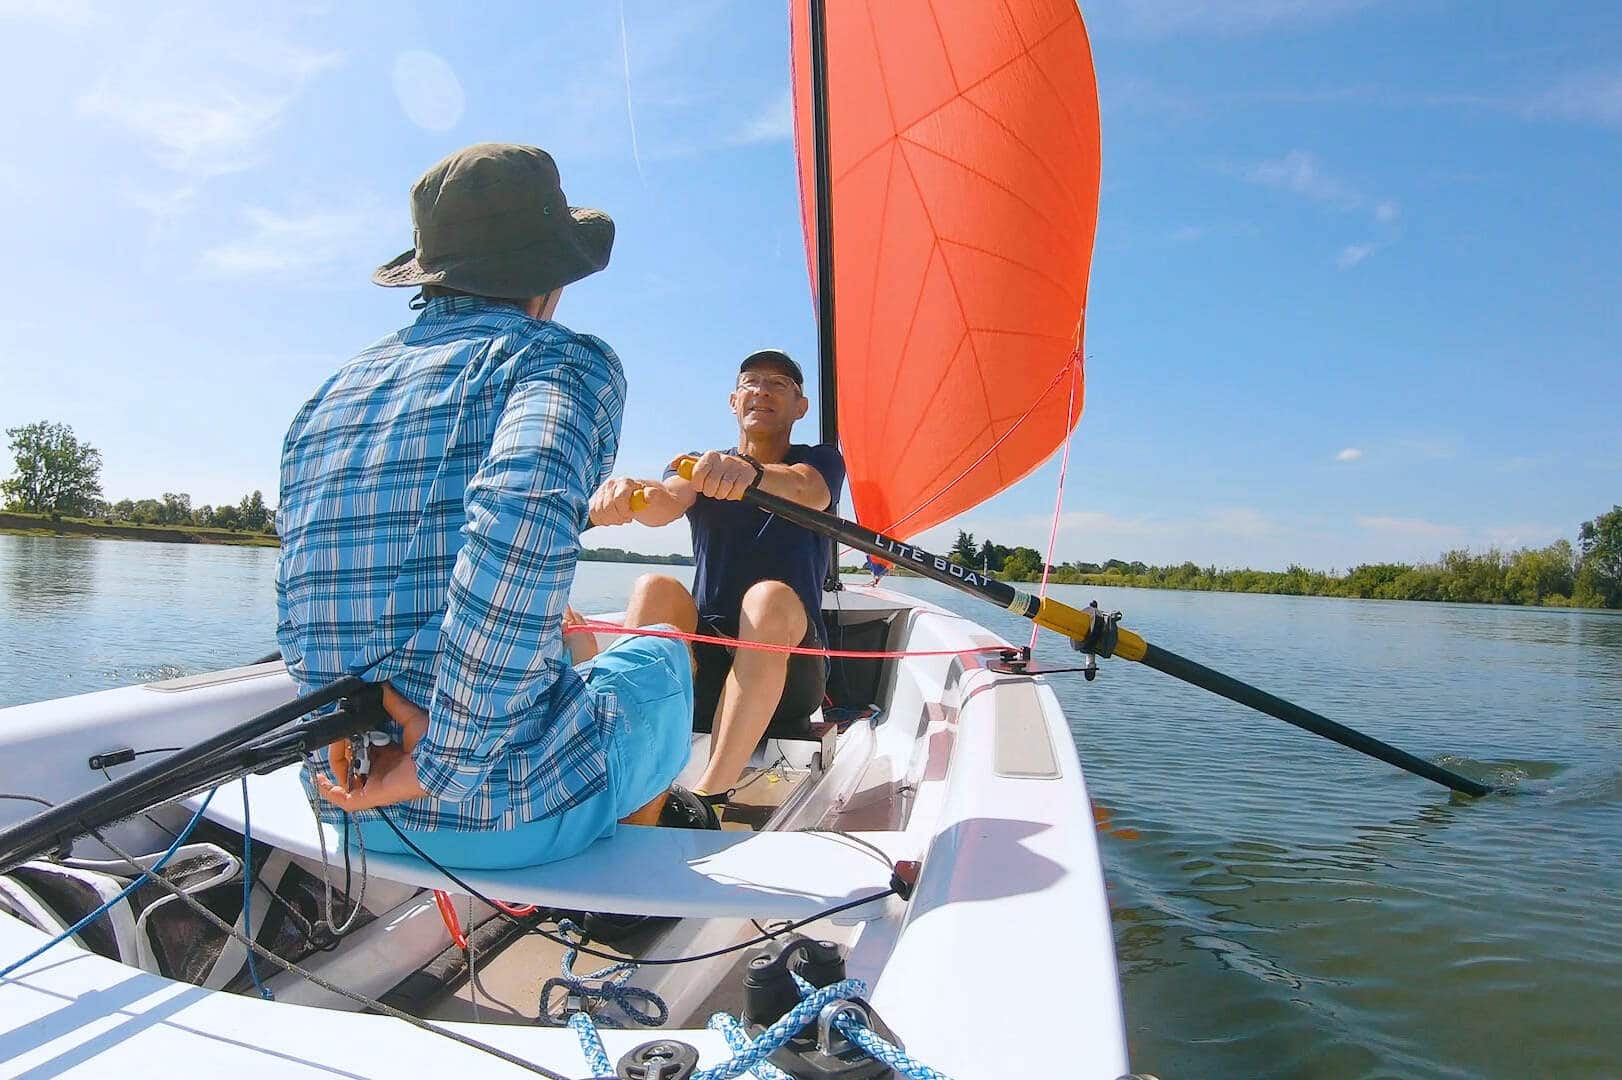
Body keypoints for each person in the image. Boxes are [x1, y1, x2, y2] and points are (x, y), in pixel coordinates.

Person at [275, 143, 703, 871]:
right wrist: (442, 764)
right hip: (503, 815)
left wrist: (330, 719)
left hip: (345, 802)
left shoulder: (331, 393)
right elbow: (523, 522)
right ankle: (630, 870)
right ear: (549, 275)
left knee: (566, 642)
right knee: (662, 653)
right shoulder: (559, 360)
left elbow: (302, 581)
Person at [593, 349, 845, 813]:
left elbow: (809, 489)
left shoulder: (821, 460)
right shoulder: (697, 466)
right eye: (751, 382)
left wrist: (751, 475)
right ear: (734, 400)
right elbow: (664, 502)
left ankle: (710, 795)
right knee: (653, 587)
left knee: (766, 599)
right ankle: (620, 779)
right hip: (705, 672)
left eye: (779, 384)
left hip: (788, 676)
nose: (762, 390)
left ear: (801, 407)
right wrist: (629, 495)